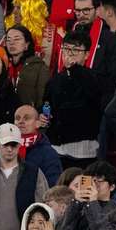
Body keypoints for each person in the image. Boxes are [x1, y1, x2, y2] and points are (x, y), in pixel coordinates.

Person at [44, 30, 106, 169]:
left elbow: (94, 105)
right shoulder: (54, 80)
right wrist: (43, 115)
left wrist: (76, 69)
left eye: (76, 50)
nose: (70, 53)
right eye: (66, 48)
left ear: (87, 55)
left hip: (84, 150)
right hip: (57, 149)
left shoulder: (94, 79)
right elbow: (46, 105)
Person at [3, 24, 48, 110]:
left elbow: (43, 98)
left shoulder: (39, 67)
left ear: (27, 44)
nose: (11, 43)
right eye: (8, 40)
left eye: (17, 39)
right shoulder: (2, 66)